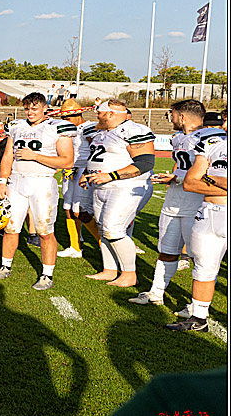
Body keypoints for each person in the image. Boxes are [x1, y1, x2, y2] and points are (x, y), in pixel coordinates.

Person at [130, 100, 224, 306]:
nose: (170, 119)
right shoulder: (179, 137)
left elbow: (214, 172)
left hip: (197, 203)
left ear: (182, 116)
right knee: (167, 249)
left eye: (172, 114)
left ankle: (197, 306)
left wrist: (179, 179)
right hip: (173, 201)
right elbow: (181, 166)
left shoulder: (214, 138)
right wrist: (174, 177)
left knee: (202, 258)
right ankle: (156, 293)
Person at [0, 92, 75, 290]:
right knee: (10, 227)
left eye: (34, 108)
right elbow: (8, 157)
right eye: (27, 108)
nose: (30, 112)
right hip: (16, 181)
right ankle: (5, 266)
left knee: (45, 231)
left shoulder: (56, 127)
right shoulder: (16, 127)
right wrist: (2, 181)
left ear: (45, 108)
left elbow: (67, 161)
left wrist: (35, 156)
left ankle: (47, 274)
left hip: (42, 182)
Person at [79, 99, 155, 288]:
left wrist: (110, 176)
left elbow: (145, 163)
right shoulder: (101, 132)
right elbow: (99, 157)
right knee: (103, 229)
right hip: (102, 186)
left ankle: (129, 274)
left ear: (111, 114)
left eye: (100, 112)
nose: (97, 115)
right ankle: (109, 270)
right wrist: (87, 173)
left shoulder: (134, 130)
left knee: (113, 229)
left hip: (126, 186)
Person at [166, 109, 226, 331]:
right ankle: (199, 318)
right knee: (203, 267)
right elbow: (190, 182)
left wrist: (207, 177)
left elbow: (199, 178)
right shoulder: (211, 144)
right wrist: (216, 180)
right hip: (208, 212)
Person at [53, 100, 101, 259]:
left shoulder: (89, 127)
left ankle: (104, 244)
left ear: (78, 114)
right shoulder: (67, 128)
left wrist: (86, 171)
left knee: (80, 210)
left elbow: (96, 151)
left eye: (67, 118)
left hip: (83, 170)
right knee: (68, 209)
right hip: (70, 170)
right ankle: (75, 247)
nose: (65, 121)